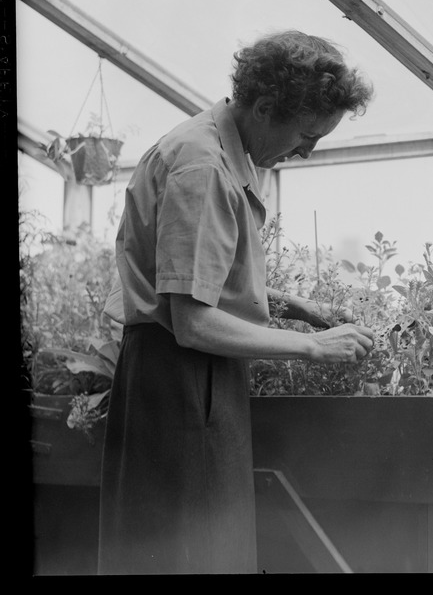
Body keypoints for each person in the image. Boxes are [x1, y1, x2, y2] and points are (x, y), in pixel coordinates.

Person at [98, 30, 376, 575]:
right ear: (266, 106)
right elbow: (193, 321)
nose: (307, 150)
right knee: (191, 553)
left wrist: (290, 302)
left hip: (188, 375)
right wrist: (314, 347)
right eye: (306, 133)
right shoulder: (202, 167)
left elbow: (195, 277)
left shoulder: (216, 150)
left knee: (195, 546)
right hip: (179, 377)